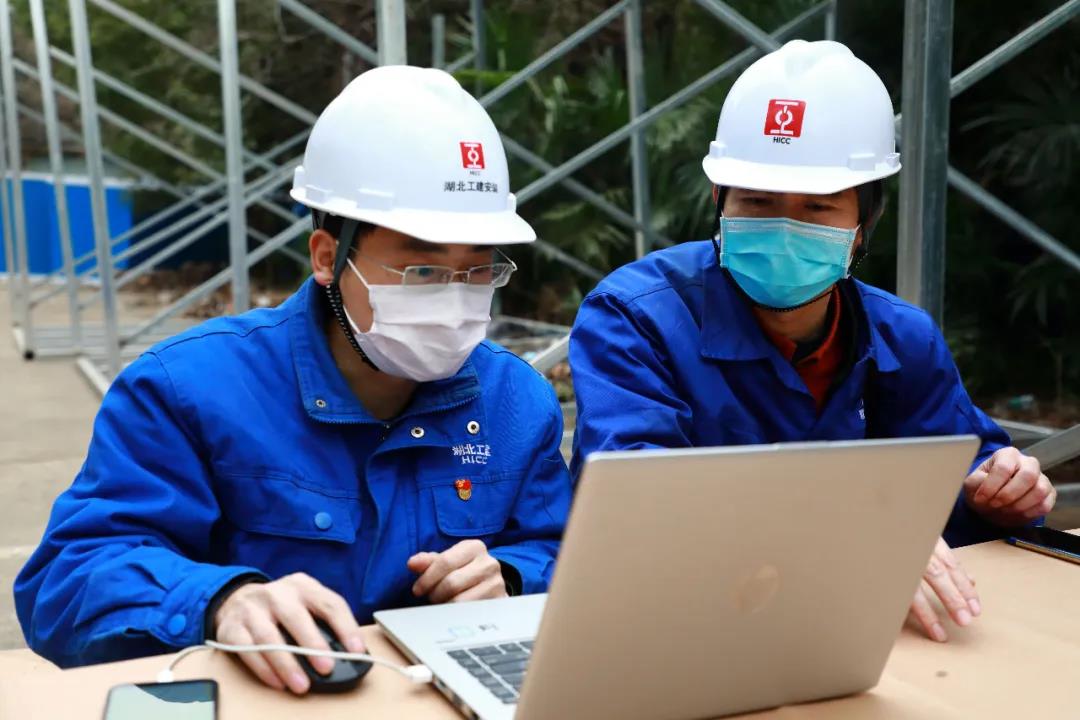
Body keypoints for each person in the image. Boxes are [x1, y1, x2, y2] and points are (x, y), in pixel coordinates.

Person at [16, 66, 572, 694]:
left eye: (478, 272)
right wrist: (219, 599)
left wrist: (511, 577)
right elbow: (67, 579)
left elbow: (566, 552)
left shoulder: (514, 401)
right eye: (422, 271)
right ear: (328, 257)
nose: (455, 300)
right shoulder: (186, 390)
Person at [568, 41, 1054, 644]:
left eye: (817, 207)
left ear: (865, 223)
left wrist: (996, 494)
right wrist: (843, 530)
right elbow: (634, 500)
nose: (784, 227)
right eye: (758, 202)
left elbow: (958, 469)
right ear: (719, 202)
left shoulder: (901, 337)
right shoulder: (635, 318)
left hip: (861, 638)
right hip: (685, 630)